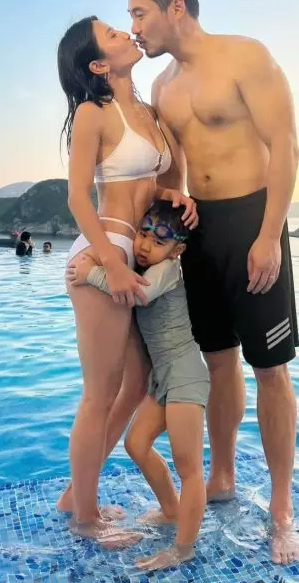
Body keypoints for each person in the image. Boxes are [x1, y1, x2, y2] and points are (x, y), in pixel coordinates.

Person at [128, 0, 299, 564]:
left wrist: (269, 235)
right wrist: (169, 204)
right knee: (218, 360)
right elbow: (176, 167)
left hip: (253, 220)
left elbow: (286, 145)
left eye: (141, 13)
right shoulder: (162, 86)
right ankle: (223, 476)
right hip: (199, 230)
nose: (135, 27)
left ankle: (282, 509)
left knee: (270, 367)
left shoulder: (245, 57)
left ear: (175, 6)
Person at [55, 16, 197, 545]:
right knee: (100, 393)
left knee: (136, 385)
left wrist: (173, 196)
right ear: (98, 64)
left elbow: (148, 184)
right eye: (112, 34)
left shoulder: (146, 112)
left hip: (134, 256)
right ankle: (85, 517)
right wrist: (112, 266)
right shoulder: (93, 112)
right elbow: (78, 197)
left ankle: (76, 493)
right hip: (106, 249)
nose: (125, 33)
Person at [67, 200, 209, 571]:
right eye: (143, 234)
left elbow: (139, 293)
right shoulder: (150, 263)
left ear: (177, 250)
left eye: (159, 241)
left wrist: (91, 274)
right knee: (136, 443)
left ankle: (183, 547)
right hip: (162, 377)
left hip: (184, 373)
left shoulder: (167, 269)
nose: (145, 245)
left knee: (189, 467)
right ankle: (171, 509)